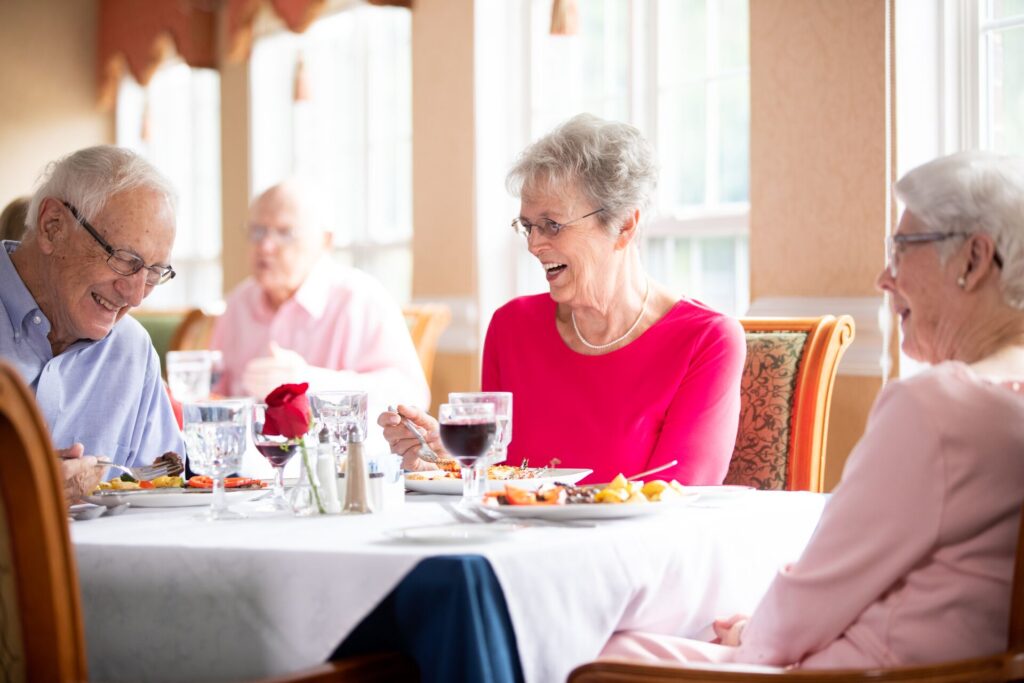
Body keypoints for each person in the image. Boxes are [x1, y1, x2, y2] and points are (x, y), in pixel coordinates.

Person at [599, 151, 1024, 670]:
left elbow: (806, 608)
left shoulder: (937, 410)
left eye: (900, 251)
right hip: (958, 668)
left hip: (858, 673)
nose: (882, 280)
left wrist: (748, 634)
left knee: (599, 649)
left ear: (974, 260)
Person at [379, 114, 746, 484]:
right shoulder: (513, 327)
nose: (534, 244)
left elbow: (677, 498)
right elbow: (500, 478)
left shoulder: (706, 340)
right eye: (528, 226)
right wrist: (448, 458)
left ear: (623, 225)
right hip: (514, 540)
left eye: (552, 225)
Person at [0, 146, 185, 503]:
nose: (135, 297)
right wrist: (23, 491)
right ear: (52, 226)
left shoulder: (132, 350)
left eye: (154, 273)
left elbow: (163, 494)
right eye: (125, 260)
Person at [210, 180, 429, 407]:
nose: (265, 246)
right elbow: (211, 394)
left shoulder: (360, 299)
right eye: (257, 231)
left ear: (326, 240)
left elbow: (409, 397)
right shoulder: (238, 303)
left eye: (285, 233)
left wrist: (307, 382)